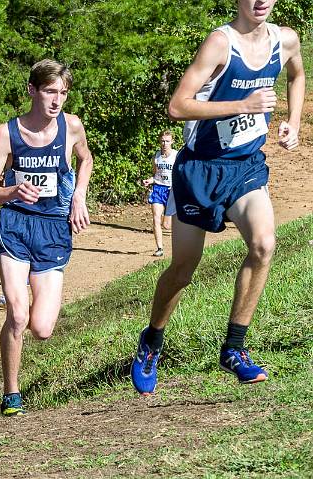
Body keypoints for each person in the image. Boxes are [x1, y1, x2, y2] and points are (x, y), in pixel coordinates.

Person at [131, 0, 305, 395]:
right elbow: (177, 106)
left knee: (263, 244)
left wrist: (292, 123)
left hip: (245, 166)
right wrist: (242, 105)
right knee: (183, 270)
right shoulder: (219, 44)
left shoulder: (286, 40)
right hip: (199, 170)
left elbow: (297, 76)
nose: (261, 2)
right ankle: (152, 340)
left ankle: (234, 349)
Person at [0, 59, 94, 416]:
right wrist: (11, 191)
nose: (57, 100)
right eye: (49, 91)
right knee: (17, 315)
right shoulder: (7, 132)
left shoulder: (71, 126)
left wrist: (78, 195)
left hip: (53, 229)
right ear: (32, 90)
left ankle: (25, 295)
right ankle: (11, 394)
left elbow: (85, 158)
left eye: (62, 92)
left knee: (42, 328)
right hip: (14, 225)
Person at [142, 131, 177, 257]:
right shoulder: (156, 157)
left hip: (172, 190)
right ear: (159, 141)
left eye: (167, 141)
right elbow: (155, 175)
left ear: (172, 142)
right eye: (162, 141)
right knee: (156, 217)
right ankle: (160, 248)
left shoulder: (176, 156)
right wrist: (149, 181)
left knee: (167, 225)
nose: (165, 144)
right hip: (158, 189)